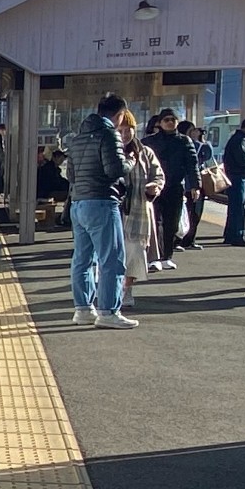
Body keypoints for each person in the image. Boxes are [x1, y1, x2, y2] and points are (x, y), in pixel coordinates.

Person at [65, 93, 138, 329]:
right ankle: (108, 311)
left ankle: (83, 309)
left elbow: (71, 175)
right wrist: (131, 162)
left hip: (79, 204)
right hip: (103, 202)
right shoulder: (109, 135)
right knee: (112, 259)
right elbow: (114, 169)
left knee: (82, 260)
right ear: (119, 115)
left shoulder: (77, 139)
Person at [142, 110, 198, 270]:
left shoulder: (184, 141)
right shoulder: (148, 142)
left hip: (175, 187)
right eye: (166, 119)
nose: (170, 122)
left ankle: (167, 256)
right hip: (154, 187)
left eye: (173, 119)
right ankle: (155, 257)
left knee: (172, 224)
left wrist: (195, 185)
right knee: (155, 222)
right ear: (159, 122)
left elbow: (191, 164)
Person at [120, 108, 164, 288]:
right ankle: (114, 291)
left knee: (135, 253)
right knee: (114, 255)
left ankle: (127, 289)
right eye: (120, 130)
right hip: (116, 210)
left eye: (128, 129)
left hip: (139, 211)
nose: (124, 134)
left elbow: (158, 175)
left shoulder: (145, 152)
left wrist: (155, 187)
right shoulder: (109, 150)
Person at [219, 117, 245, 246]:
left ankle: (231, 234)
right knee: (239, 208)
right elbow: (243, 161)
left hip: (235, 176)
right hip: (237, 177)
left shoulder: (237, 139)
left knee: (235, 207)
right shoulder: (239, 141)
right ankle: (236, 235)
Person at [177, 120, 213, 250]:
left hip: (182, 183)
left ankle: (180, 240)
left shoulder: (176, 143)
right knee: (194, 213)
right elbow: (208, 154)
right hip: (193, 184)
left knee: (183, 213)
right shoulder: (196, 145)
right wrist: (201, 139)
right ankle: (188, 240)